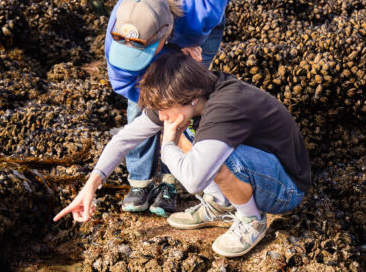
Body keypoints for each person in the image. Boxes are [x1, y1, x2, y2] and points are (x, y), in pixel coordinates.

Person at [55, 53, 310, 258]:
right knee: (184, 134)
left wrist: (167, 143)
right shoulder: (180, 98)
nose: (161, 116)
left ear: (191, 98)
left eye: (164, 109)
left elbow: (194, 181)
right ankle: (220, 205)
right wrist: (90, 187)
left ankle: (251, 219)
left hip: (285, 189)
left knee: (205, 154)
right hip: (254, 168)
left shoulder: (225, 107)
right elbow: (123, 140)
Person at [106, 0, 245, 218]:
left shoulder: (203, 5)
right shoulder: (118, 31)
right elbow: (126, 84)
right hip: (153, 21)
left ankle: (171, 181)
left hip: (194, 28)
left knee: (184, 102)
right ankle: (140, 182)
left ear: (164, 37)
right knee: (142, 104)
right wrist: (155, 109)